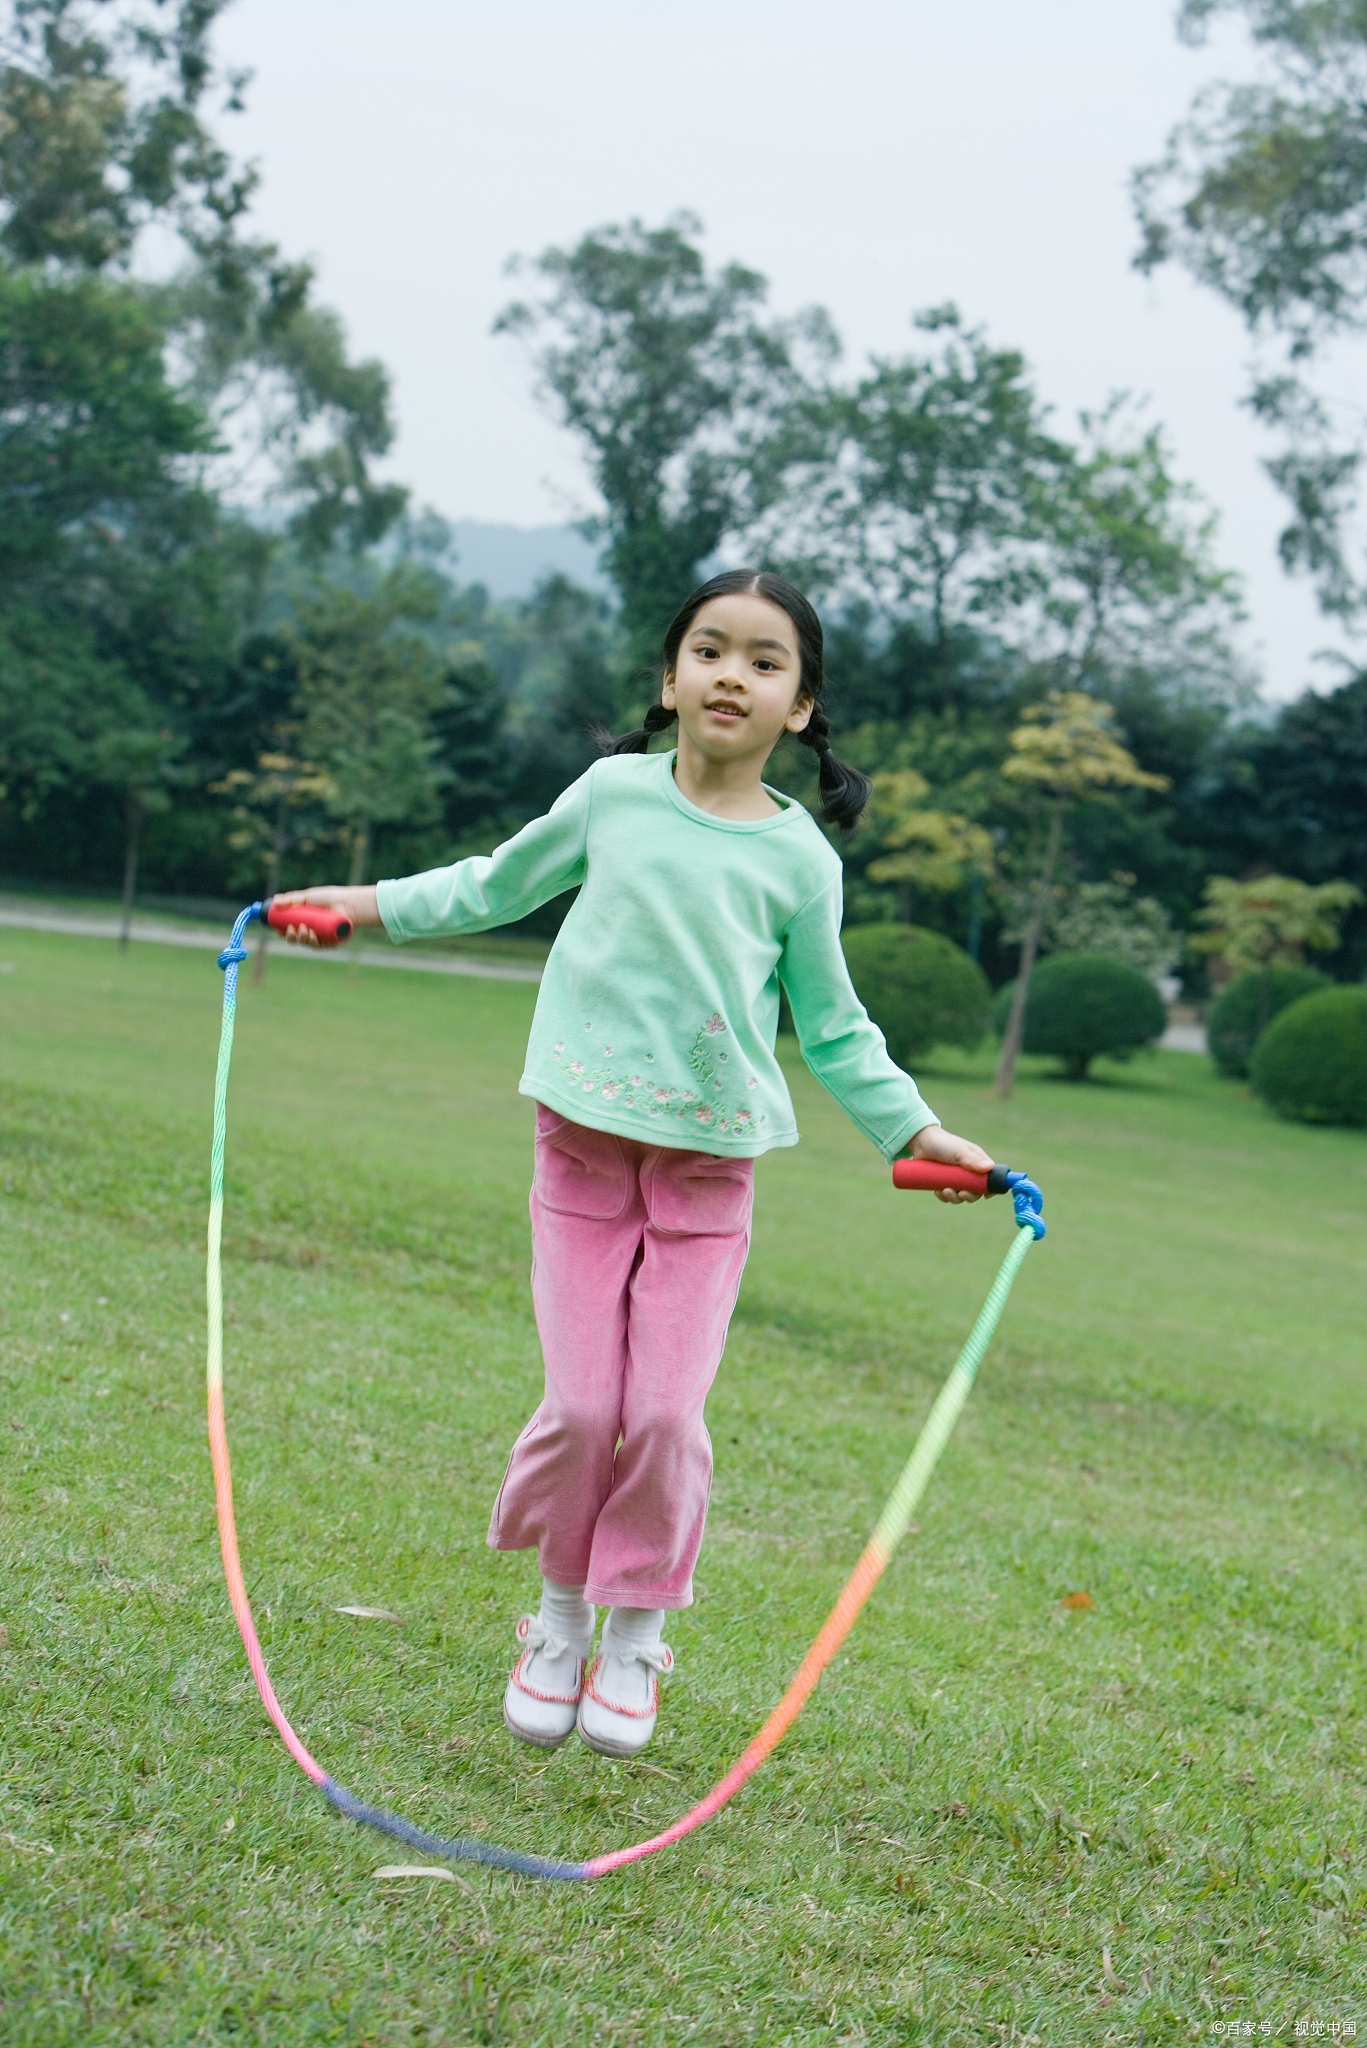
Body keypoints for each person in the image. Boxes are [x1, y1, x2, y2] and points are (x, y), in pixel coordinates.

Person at [273, 569, 995, 1760]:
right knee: (581, 1406)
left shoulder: (799, 860)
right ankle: (559, 1618)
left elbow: (834, 1028)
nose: (731, 674)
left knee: (660, 1411)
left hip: (707, 1171)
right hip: (581, 1149)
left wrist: (917, 1131)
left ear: (800, 707)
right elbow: (490, 886)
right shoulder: (610, 796)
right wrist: (359, 906)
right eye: (709, 649)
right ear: (668, 680)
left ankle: (637, 1629)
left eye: (764, 660)